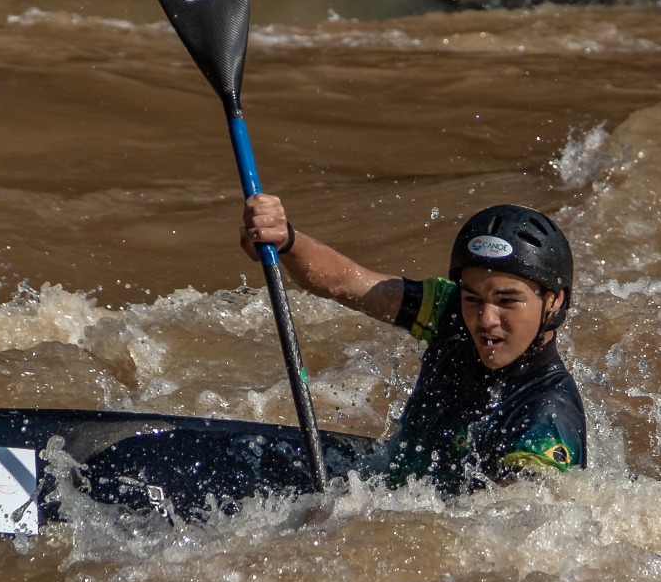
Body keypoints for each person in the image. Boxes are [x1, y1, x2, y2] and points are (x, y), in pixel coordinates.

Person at [240, 194, 586, 492]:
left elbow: (512, 523)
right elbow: (346, 283)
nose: (485, 320)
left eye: (507, 301)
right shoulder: (449, 311)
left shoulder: (548, 416)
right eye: (473, 298)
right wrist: (286, 240)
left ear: (553, 300)